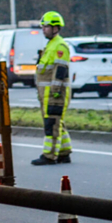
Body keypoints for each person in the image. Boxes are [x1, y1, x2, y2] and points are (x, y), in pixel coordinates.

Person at [32, 11, 72, 165]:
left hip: (55, 93)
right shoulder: (51, 45)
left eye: (46, 26)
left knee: (52, 124)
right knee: (57, 123)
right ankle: (64, 153)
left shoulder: (60, 45)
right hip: (47, 93)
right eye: (43, 26)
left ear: (56, 28)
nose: (43, 29)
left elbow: (61, 70)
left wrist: (55, 91)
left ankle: (49, 156)